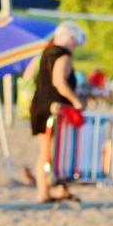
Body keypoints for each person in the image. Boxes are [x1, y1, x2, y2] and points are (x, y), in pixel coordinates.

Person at [29, 21, 86, 203]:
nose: (75, 46)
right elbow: (59, 82)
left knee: (51, 150)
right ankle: (43, 192)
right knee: (50, 151)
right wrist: (77, 102)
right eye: (75, 42)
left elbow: (28, 75)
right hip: (53, 109)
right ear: (70, 38)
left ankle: (60, 188)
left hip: (39, 105)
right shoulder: (63, 55)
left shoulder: (45, 52)